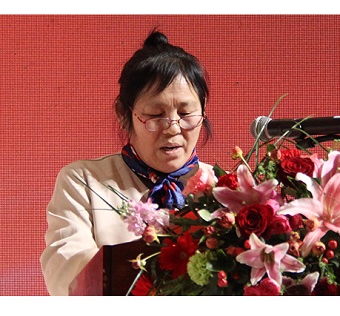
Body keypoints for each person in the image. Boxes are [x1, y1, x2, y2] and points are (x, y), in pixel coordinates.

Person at [40, 31, 213, 296]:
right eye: (155, 114)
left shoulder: (226, 189)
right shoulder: (84, 182)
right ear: (124, 114)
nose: (173, 128)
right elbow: (65, 273)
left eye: (186, 113)